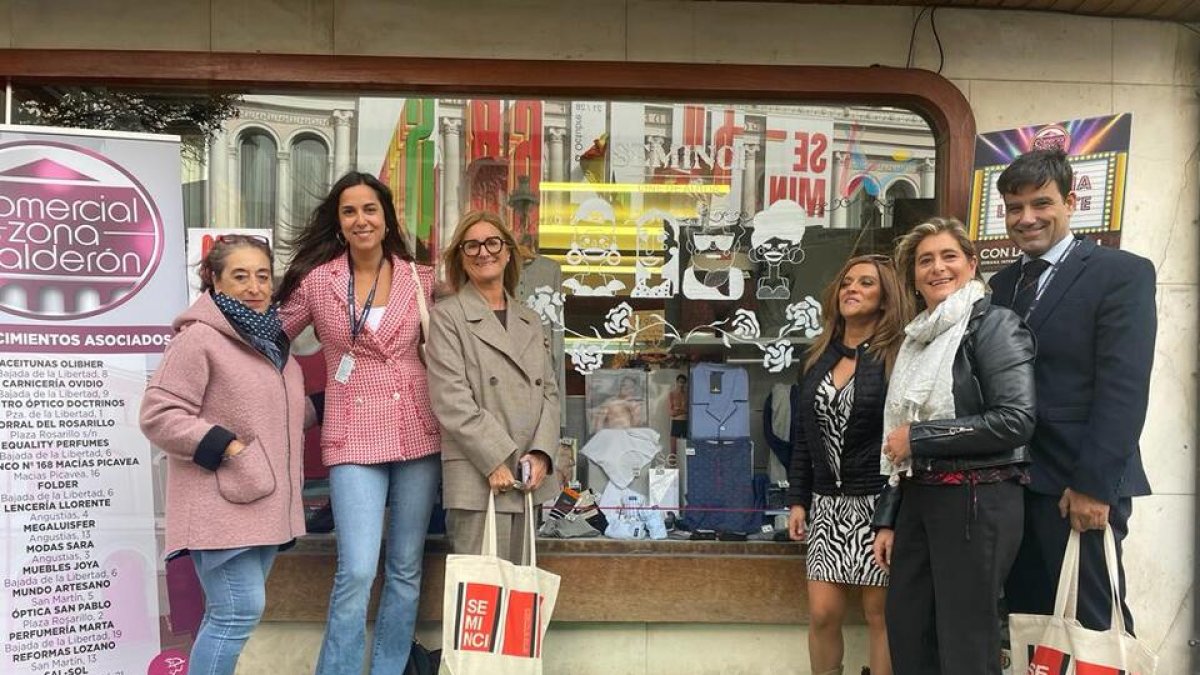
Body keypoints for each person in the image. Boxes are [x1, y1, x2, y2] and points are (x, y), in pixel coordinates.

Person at [275, 172, 441, 675]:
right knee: (356, 570)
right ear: (339, 222)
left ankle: (389, 669)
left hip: (418, 429)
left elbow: (463, 347)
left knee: (406, 568)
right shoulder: (319, 282)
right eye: (350, 211)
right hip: (351, 435)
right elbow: (271, 339)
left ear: (386, 216)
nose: (361, 219)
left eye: (370, 209)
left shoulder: (423, 279)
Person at [991, 149, 1155, 633]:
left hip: (1076, 486)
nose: (1027, 218)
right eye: (1015, 208)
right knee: (1031, 626)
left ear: (1069, 202)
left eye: (1041, 204)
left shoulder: (1120, 273)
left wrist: (1094, 485)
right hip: (1015, 487)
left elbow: (1123, 388)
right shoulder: (1001, 285)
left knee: (1092, 628)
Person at [140, 235, 311, 675]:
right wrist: (229, 448)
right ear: (213, 280)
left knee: (232, 616)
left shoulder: (271, 343)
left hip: (264, 505)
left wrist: (339, 405)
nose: (254, 286)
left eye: (261, 276)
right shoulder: (199, 339)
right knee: (236, 613)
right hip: (221, 504)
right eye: (240, 276)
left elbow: (279, 414)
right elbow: (159, 415)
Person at [872, 218, 1035, 674]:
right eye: (926, 260)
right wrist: (888, 517)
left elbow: (1016, 420)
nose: (938, 268)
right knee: (909, 631)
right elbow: (896, 443)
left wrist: (920, 438)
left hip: (978, 502)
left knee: (964, 643)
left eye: (949, 257)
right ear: (913, 275)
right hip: (919, 500)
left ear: (971, 264)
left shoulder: (995, 324)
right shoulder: (916, 339)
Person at [786, 254, 910, 675]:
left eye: (865, 283)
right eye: (846, 282)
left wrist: (891, 513)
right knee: (822, 613)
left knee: (880, 617)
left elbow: (902, 440)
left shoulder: (897, 357)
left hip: (878, 502)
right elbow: (803, 436)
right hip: (826, 504)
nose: (851, 289)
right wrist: (798, 499)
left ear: (885, 297)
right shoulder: (817, 356)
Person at [426, 211, 560, 562]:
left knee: (520, 603)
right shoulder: (447, 316)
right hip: (479, 476)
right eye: (471, 245)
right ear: (460, 257)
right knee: (480, 603)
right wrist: (494, 459)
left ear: (508, 251)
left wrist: (543, 454)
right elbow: (451, 398)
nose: (483, 252)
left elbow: (549, 390)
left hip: (527, 479)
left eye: (492, 242)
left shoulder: (530, 319)